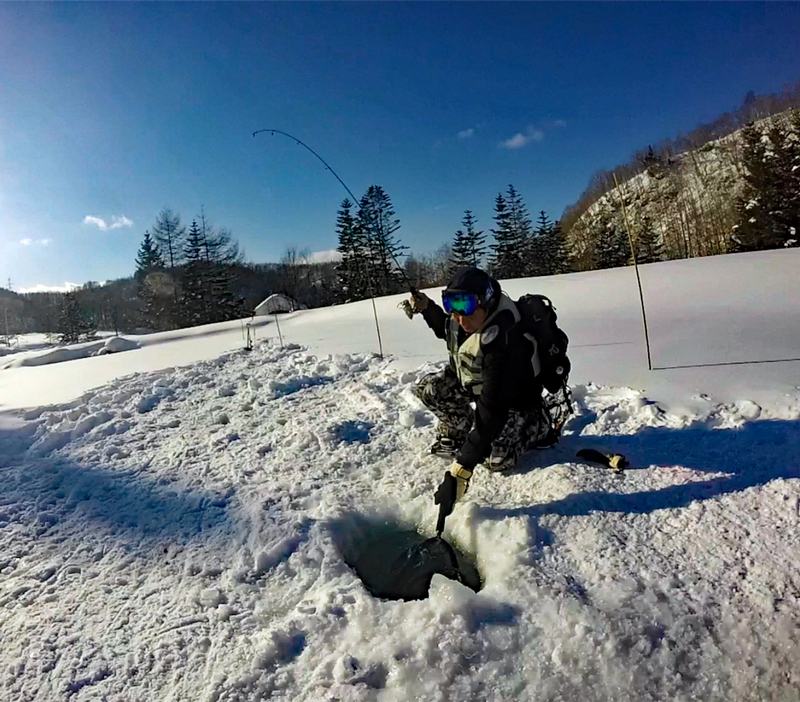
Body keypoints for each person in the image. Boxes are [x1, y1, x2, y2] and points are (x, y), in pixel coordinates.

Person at [409, 267, 558, 504]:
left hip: (513, 400)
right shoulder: (464, 317)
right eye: (451, 306)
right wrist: (428, 308)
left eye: (466, 307)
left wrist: (462, 469)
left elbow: (493, 409)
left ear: (486, 301)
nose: (459, 317)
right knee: (430, 390)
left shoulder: (504, 339)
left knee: (496, 459)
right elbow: (446, 329)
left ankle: (538, 425)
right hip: (475, 384)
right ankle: (460, 427)